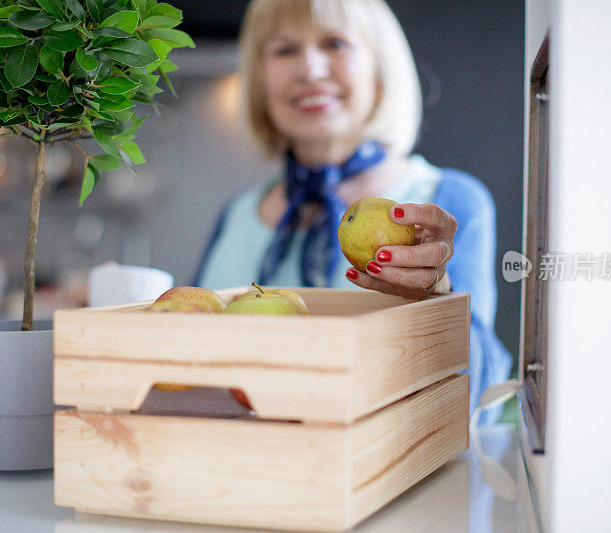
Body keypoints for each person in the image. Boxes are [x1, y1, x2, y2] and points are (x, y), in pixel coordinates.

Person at [194, 0, 511, 423]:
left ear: (380, 70)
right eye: (284, 50)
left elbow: (480, 400)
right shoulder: (237, 214)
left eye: (335, 43)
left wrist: (438, 302)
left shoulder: (444, 200)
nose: (310, 69)